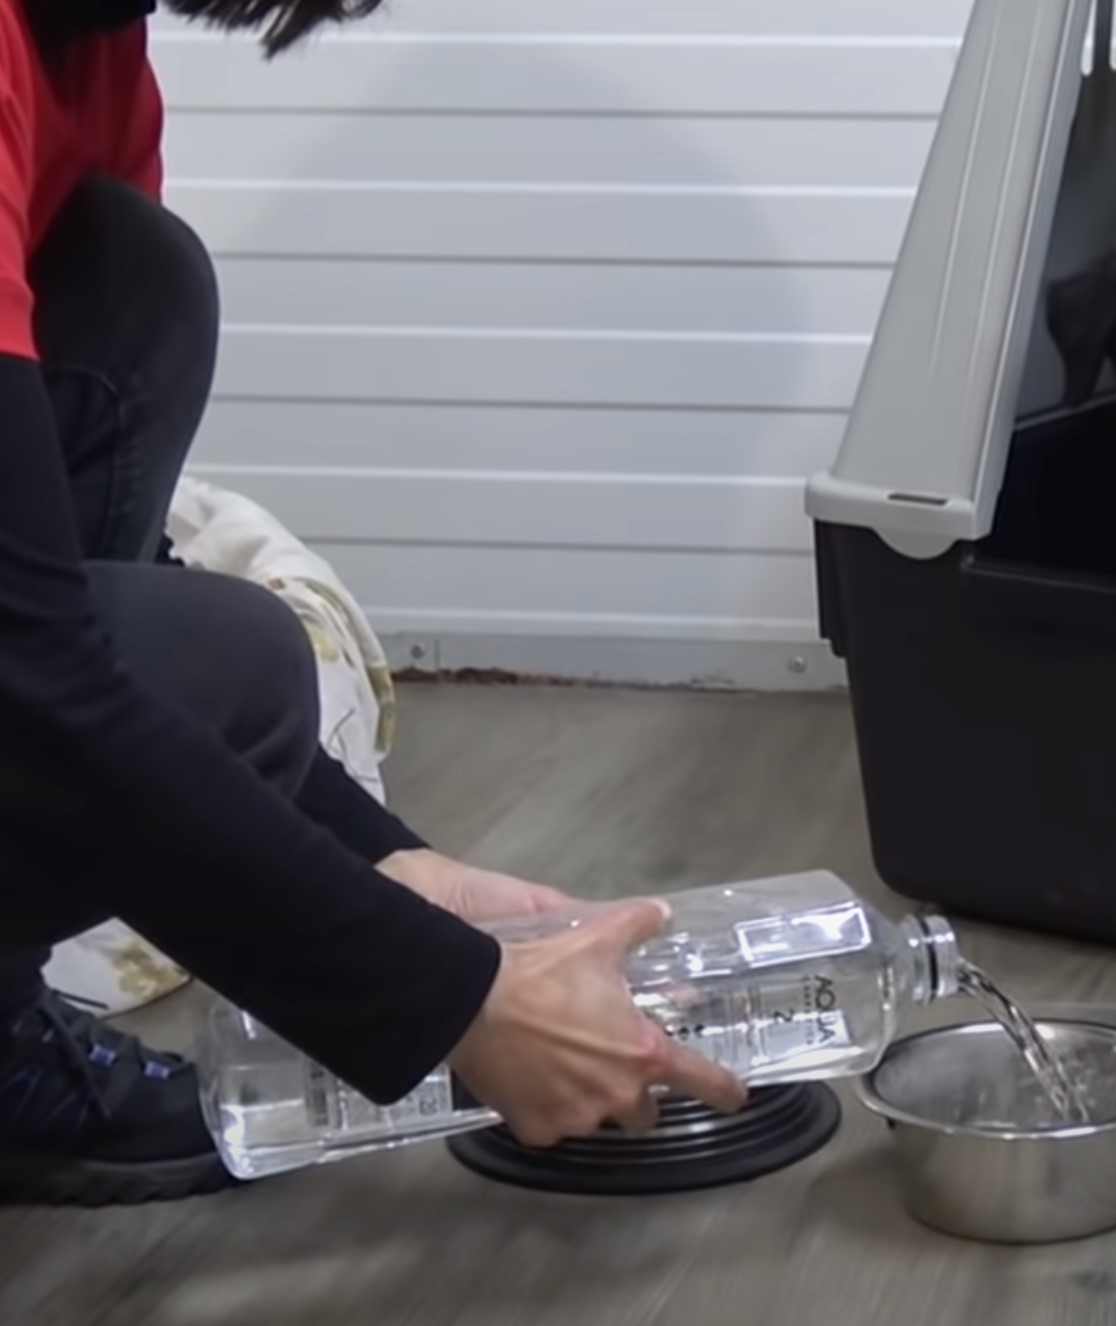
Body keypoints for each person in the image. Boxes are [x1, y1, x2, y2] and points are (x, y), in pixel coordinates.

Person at [0, 0, 746, 1207]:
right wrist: (451, 1004)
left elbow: (55, 566)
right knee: (238, 670)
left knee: (134, 276)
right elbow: (27, 668)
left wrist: (399, 870)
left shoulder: (80, 49)